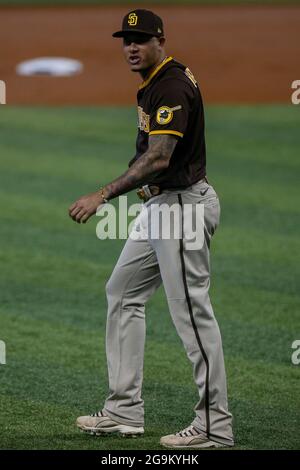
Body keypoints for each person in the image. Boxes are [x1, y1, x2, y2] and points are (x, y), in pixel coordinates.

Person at [69, 9, 234, 449]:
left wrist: (102, 194)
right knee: (122, 292)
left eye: (140, 39)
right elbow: (157, 161)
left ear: (160, 39)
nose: (132, 47)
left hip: (183, 212)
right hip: (165, 203)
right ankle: (124, 411)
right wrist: (151, 184)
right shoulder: (156, 81)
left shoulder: (172, 86)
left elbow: (160, 157)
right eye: (126, 40)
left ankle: (215, 426)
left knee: (193, 316)